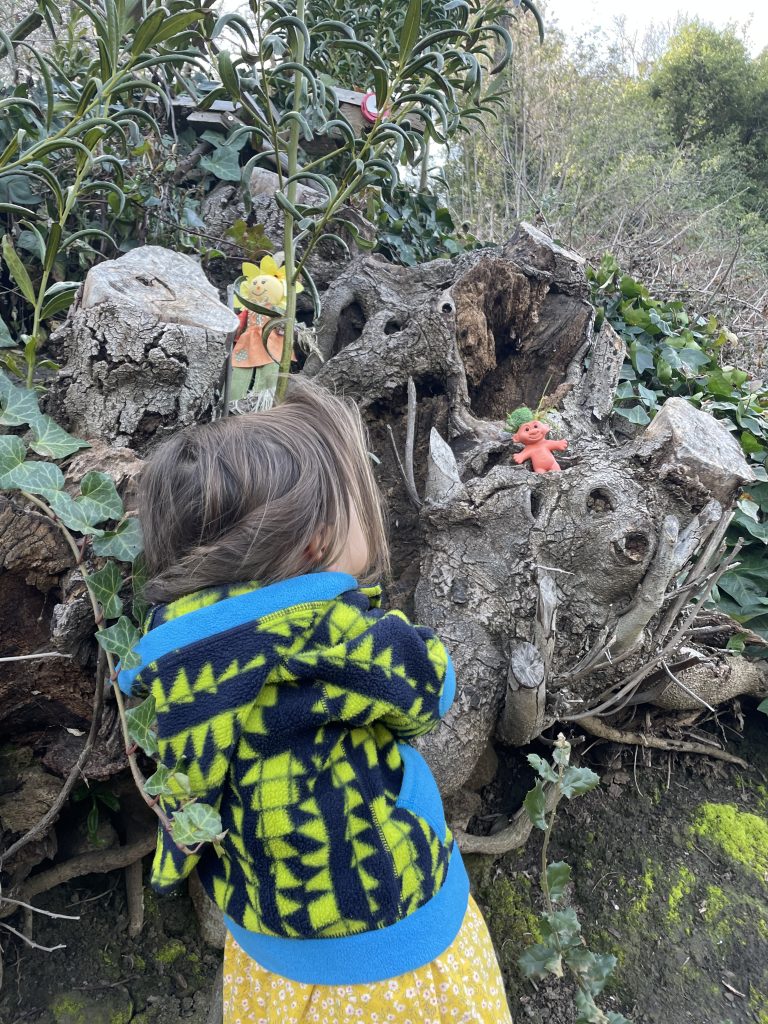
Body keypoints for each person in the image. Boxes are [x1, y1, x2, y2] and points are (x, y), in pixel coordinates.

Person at [120, 378, 513, 1024]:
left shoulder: (170, 663)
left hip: (271, 949)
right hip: (399, 947)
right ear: (314, 543)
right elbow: (431, 689)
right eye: (362, 504)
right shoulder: (334, 632)